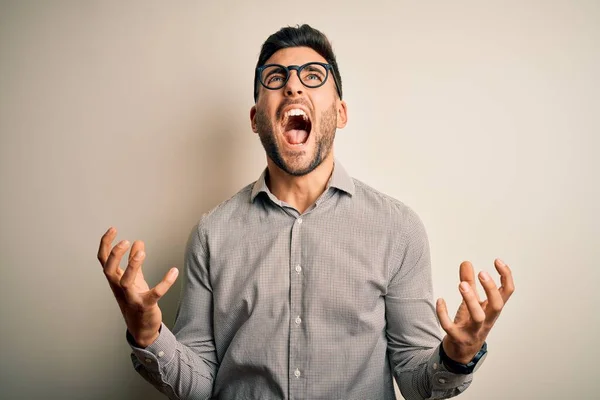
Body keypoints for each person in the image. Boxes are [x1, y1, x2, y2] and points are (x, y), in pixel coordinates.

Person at [97, 24, 514, 400]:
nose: (294, 87)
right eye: (276, 78)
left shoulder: (397, 229)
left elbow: (414, 379)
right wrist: (148, 335)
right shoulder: (212, 234)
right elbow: (199, 383)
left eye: (313, 76)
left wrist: (457, 355)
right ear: (257, 119)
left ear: (341, 112)